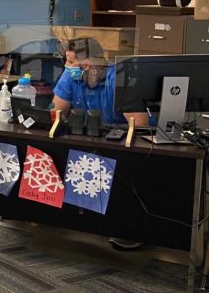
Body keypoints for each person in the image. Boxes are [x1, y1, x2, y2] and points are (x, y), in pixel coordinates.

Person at [51, 37, 146, 250]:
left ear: (89, 66)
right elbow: (54, 115)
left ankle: (130, 228)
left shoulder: (120, 77)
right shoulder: (70, 76)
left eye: (71, 63)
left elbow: (139, 126)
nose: (67, 68)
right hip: (87, 140)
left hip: (123, 146)